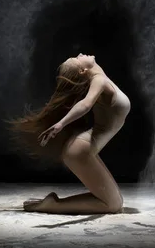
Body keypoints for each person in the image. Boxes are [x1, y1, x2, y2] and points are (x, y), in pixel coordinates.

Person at [8, 53, 131, 214]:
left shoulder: (100, 79)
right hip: (80, 150)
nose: (80, 54)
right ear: (83, 70)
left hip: (84, 149)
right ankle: (52, 206)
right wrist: (61, 123)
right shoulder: (99, 81)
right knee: (113, 206)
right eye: (77, 58)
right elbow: (85, 104)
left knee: (115, 203)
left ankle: (54, 204)